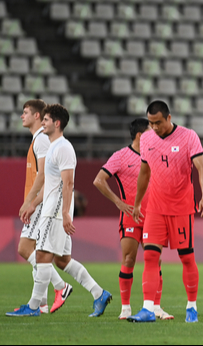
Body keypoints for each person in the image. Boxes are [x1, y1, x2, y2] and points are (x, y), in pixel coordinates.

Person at [7, 104, 112, 317]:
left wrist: (64, 212)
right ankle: (98, 293)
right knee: (63, 260)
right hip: (53, 208)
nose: (43, 123)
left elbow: (69, 183)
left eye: (46, 120)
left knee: (42, 256)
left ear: (57, 123)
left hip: (54, 210)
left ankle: (34, 306)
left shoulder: (63, 147)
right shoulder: (55, 146)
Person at [128, 101, 203, 323]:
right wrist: (137, 203)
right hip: (154, 208)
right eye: (151, 123)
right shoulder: (146, 139)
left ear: (168, 117)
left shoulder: (188, 136)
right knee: (150, 256)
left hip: (181, 209)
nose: (154, 127)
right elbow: (144, 173)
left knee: (186, 258)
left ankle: (191, 306)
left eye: (158, 123)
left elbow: (201, 168)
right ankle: (148, 308)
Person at [93, 118, 172, 320]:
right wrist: (118, 202)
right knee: (129, 259)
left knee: (155, 260)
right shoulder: (120, 156)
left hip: (153, 217)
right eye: (150, 131)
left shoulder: (156, 155)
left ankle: (156, 307)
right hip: (130, 218)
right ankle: (126, 308)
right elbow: (99, 180)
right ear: (140, 135)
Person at [14, 99, 71, 315]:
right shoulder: (38, 141)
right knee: (37, 252)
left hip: (43, 202)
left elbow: (45, 175)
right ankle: (43, 303)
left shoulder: (42, 141)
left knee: (26, 249)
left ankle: (60, 287)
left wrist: (31, 202)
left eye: (26, 112)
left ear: (37, 116)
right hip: (41, 201)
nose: (22, 116)